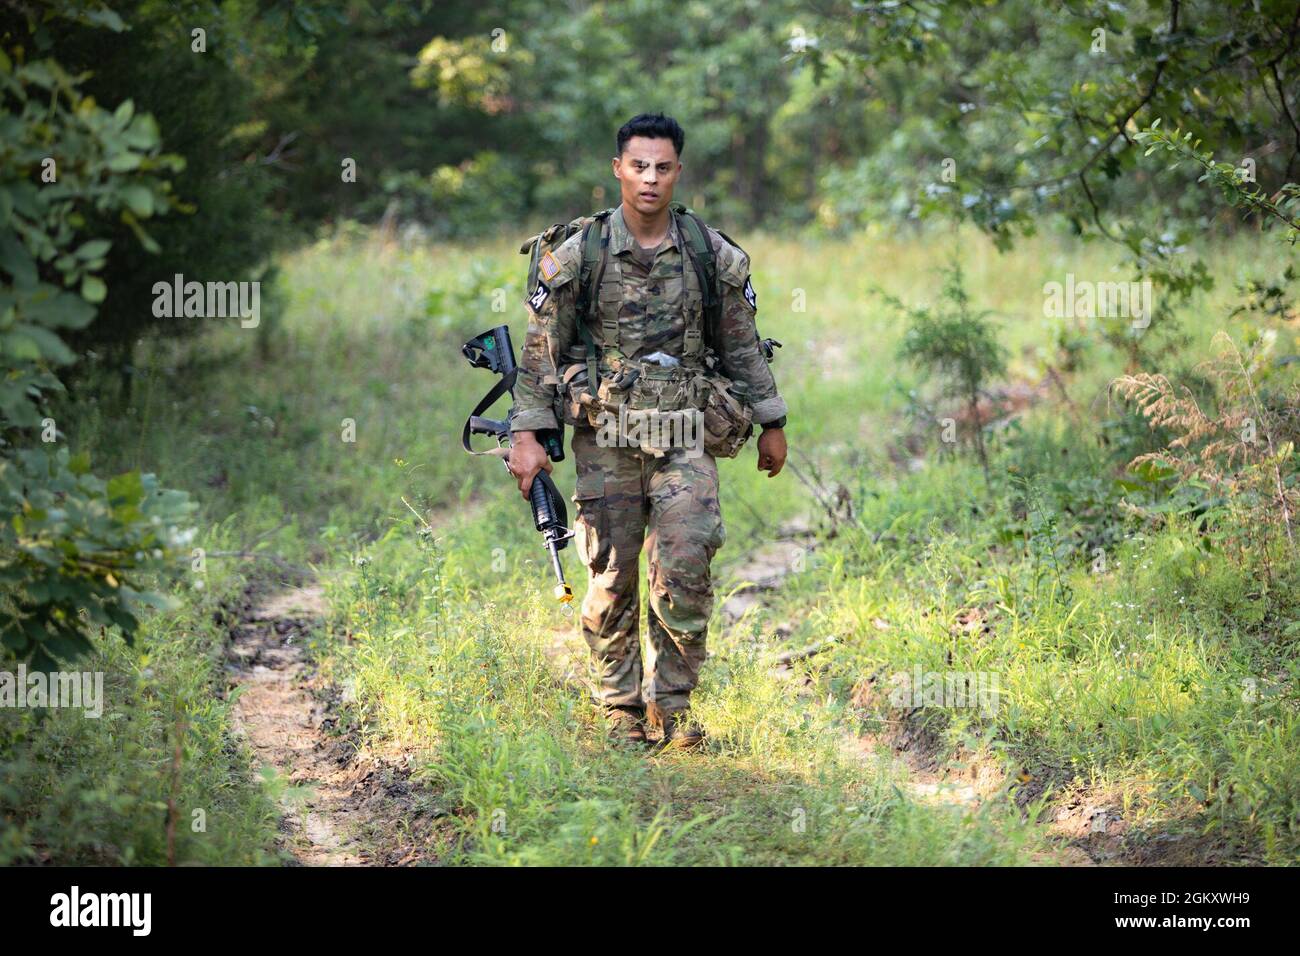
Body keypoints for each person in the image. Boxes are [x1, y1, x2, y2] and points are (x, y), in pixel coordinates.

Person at [507, 112, 788, 751]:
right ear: (618, 170)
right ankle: (620, 709)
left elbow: (742, 345)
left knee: (686, 563)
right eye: (639, 166)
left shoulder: (707, 252)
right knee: (611, 575)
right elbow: (540, 352)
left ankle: (673, 709)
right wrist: (527, 435)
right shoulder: (582, 253)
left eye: (663, 167)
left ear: (678, 172)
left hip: (684, 433)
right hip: (606, 437)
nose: (650, 179)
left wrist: (772, 420)